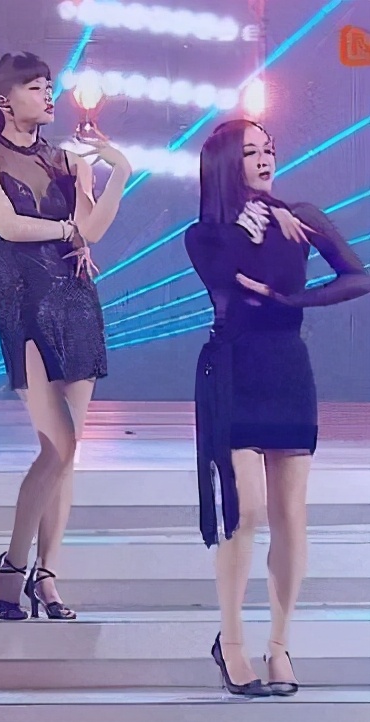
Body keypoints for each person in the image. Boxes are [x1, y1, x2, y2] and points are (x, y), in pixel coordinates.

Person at [185, 119, 370, 696]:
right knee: (246, 512)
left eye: (269, 149)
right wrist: (254, 223)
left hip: (287, 368)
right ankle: (232, 644)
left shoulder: (301, 216)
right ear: (226, 164)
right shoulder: (205, 233)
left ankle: (281, 645)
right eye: (251, 152)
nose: (265, 159)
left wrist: (296, 298)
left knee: (291, 514)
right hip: (234, 371)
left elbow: (357, 276)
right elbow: (227, 279)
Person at [0, 51, 130, 620]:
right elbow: (8, 226)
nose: (48, 95)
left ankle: (46, 574)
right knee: (58, 444)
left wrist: (118, 172)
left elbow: (93, 231)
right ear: (3, 100)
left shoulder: (67, 159)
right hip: (25, 305)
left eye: (49, 85)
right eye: (35, 87)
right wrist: (66, 229)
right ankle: (11, 563)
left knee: (66, 453)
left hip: (77, 304)